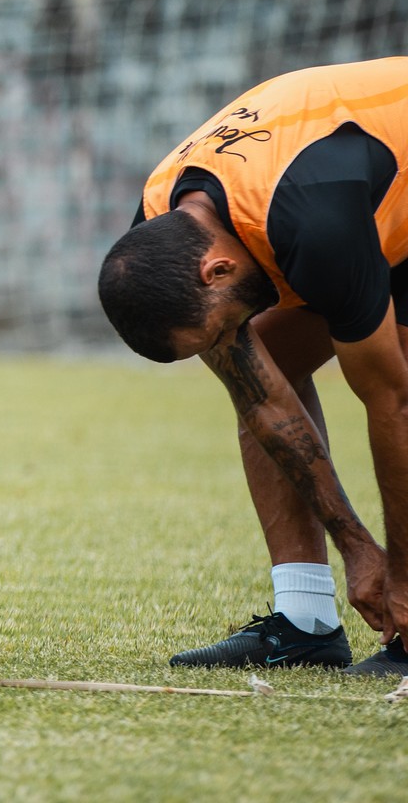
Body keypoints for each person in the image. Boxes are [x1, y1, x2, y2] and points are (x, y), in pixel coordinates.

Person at [98, 58, 408, 678]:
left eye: (217, 334)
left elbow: (393, 406)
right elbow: (262, 397)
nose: (224, 346)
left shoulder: (316, 225)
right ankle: (306, 622)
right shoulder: (160, 228)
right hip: (360, 201)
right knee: (266, 374)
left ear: (215, 270)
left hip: (356, 195)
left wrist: (398, 570)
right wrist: (356, 548)